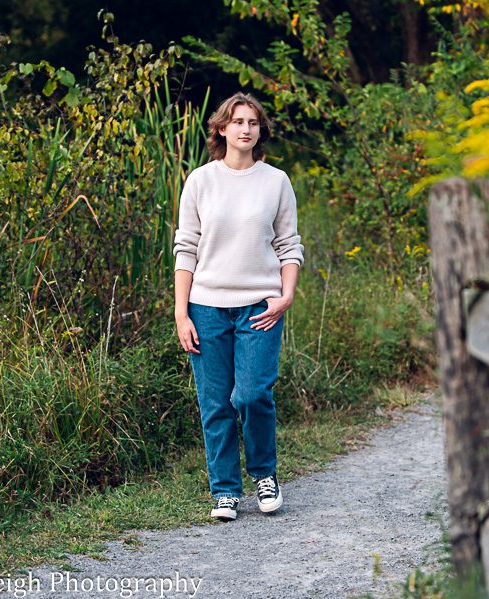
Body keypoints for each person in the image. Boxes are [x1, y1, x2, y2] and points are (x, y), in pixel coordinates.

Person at [172, 91, 304, 522]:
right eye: (237, 121)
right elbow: (186, 248)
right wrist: (181, 312)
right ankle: (225, 491)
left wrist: (286, 295)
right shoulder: (200, 181)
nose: (245, 129)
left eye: (253, 122)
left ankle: (265, 475)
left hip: (260, 307)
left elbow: (288, 245)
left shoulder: (276, 181)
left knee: (251, 394)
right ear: (222, 129)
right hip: (206, 306)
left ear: (260, 130)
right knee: (215, 404)